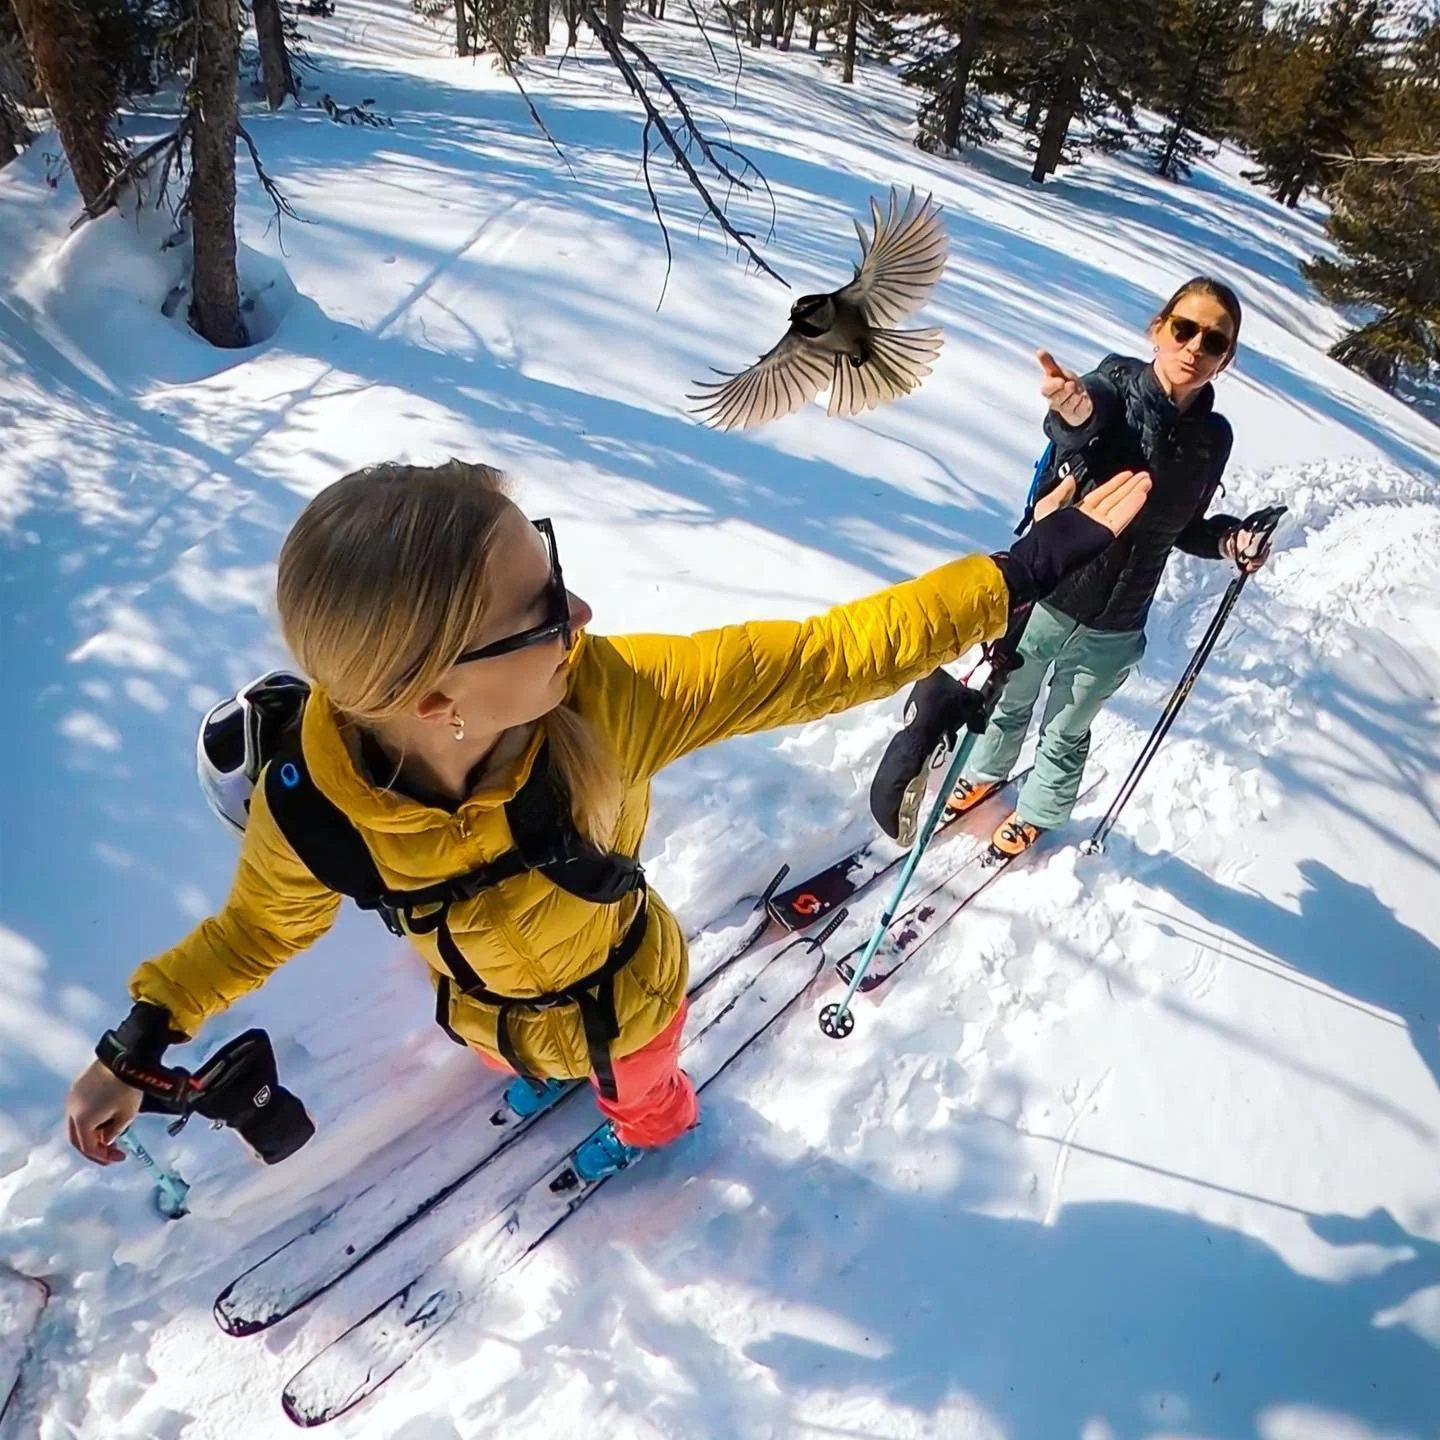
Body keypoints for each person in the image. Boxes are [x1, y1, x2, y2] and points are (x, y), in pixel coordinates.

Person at [64, 459, 1149, 1181]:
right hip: (483, 1012)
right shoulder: (311, 809)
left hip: (631, 996)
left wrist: (1017, 574)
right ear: (435, 702)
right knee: (518, 1056)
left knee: (645, 1093)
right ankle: (550, 1077)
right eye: (540, 608)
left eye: (554, 569)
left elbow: (822, 656)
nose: (579, 614)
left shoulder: (608, 695)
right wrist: (142, 1037)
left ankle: (650, 1132)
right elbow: (255, 930)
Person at [942, 276, 1271, 858]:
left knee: (1067, 726)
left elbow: (1186, 526)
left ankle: (1040, 811)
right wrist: (1070, 411)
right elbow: (1082, 416)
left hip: (1119, 617)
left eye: (1214, 341)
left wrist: (1230, 541)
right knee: (1009, 694)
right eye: (1184, 329)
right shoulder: (1115, 383)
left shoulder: (1213, 438)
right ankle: (986, 773)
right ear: (1158, 330)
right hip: (1050, 588)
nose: (1195, 347)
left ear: (1227, 358)